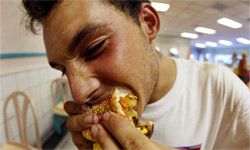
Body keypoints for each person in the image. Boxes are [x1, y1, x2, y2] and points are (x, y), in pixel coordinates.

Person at [22, 0, 250, 149]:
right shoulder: (87, 127)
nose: (79, 94)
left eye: (94, 48)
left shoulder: (222, 91)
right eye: (63, 70)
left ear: (148, 23)